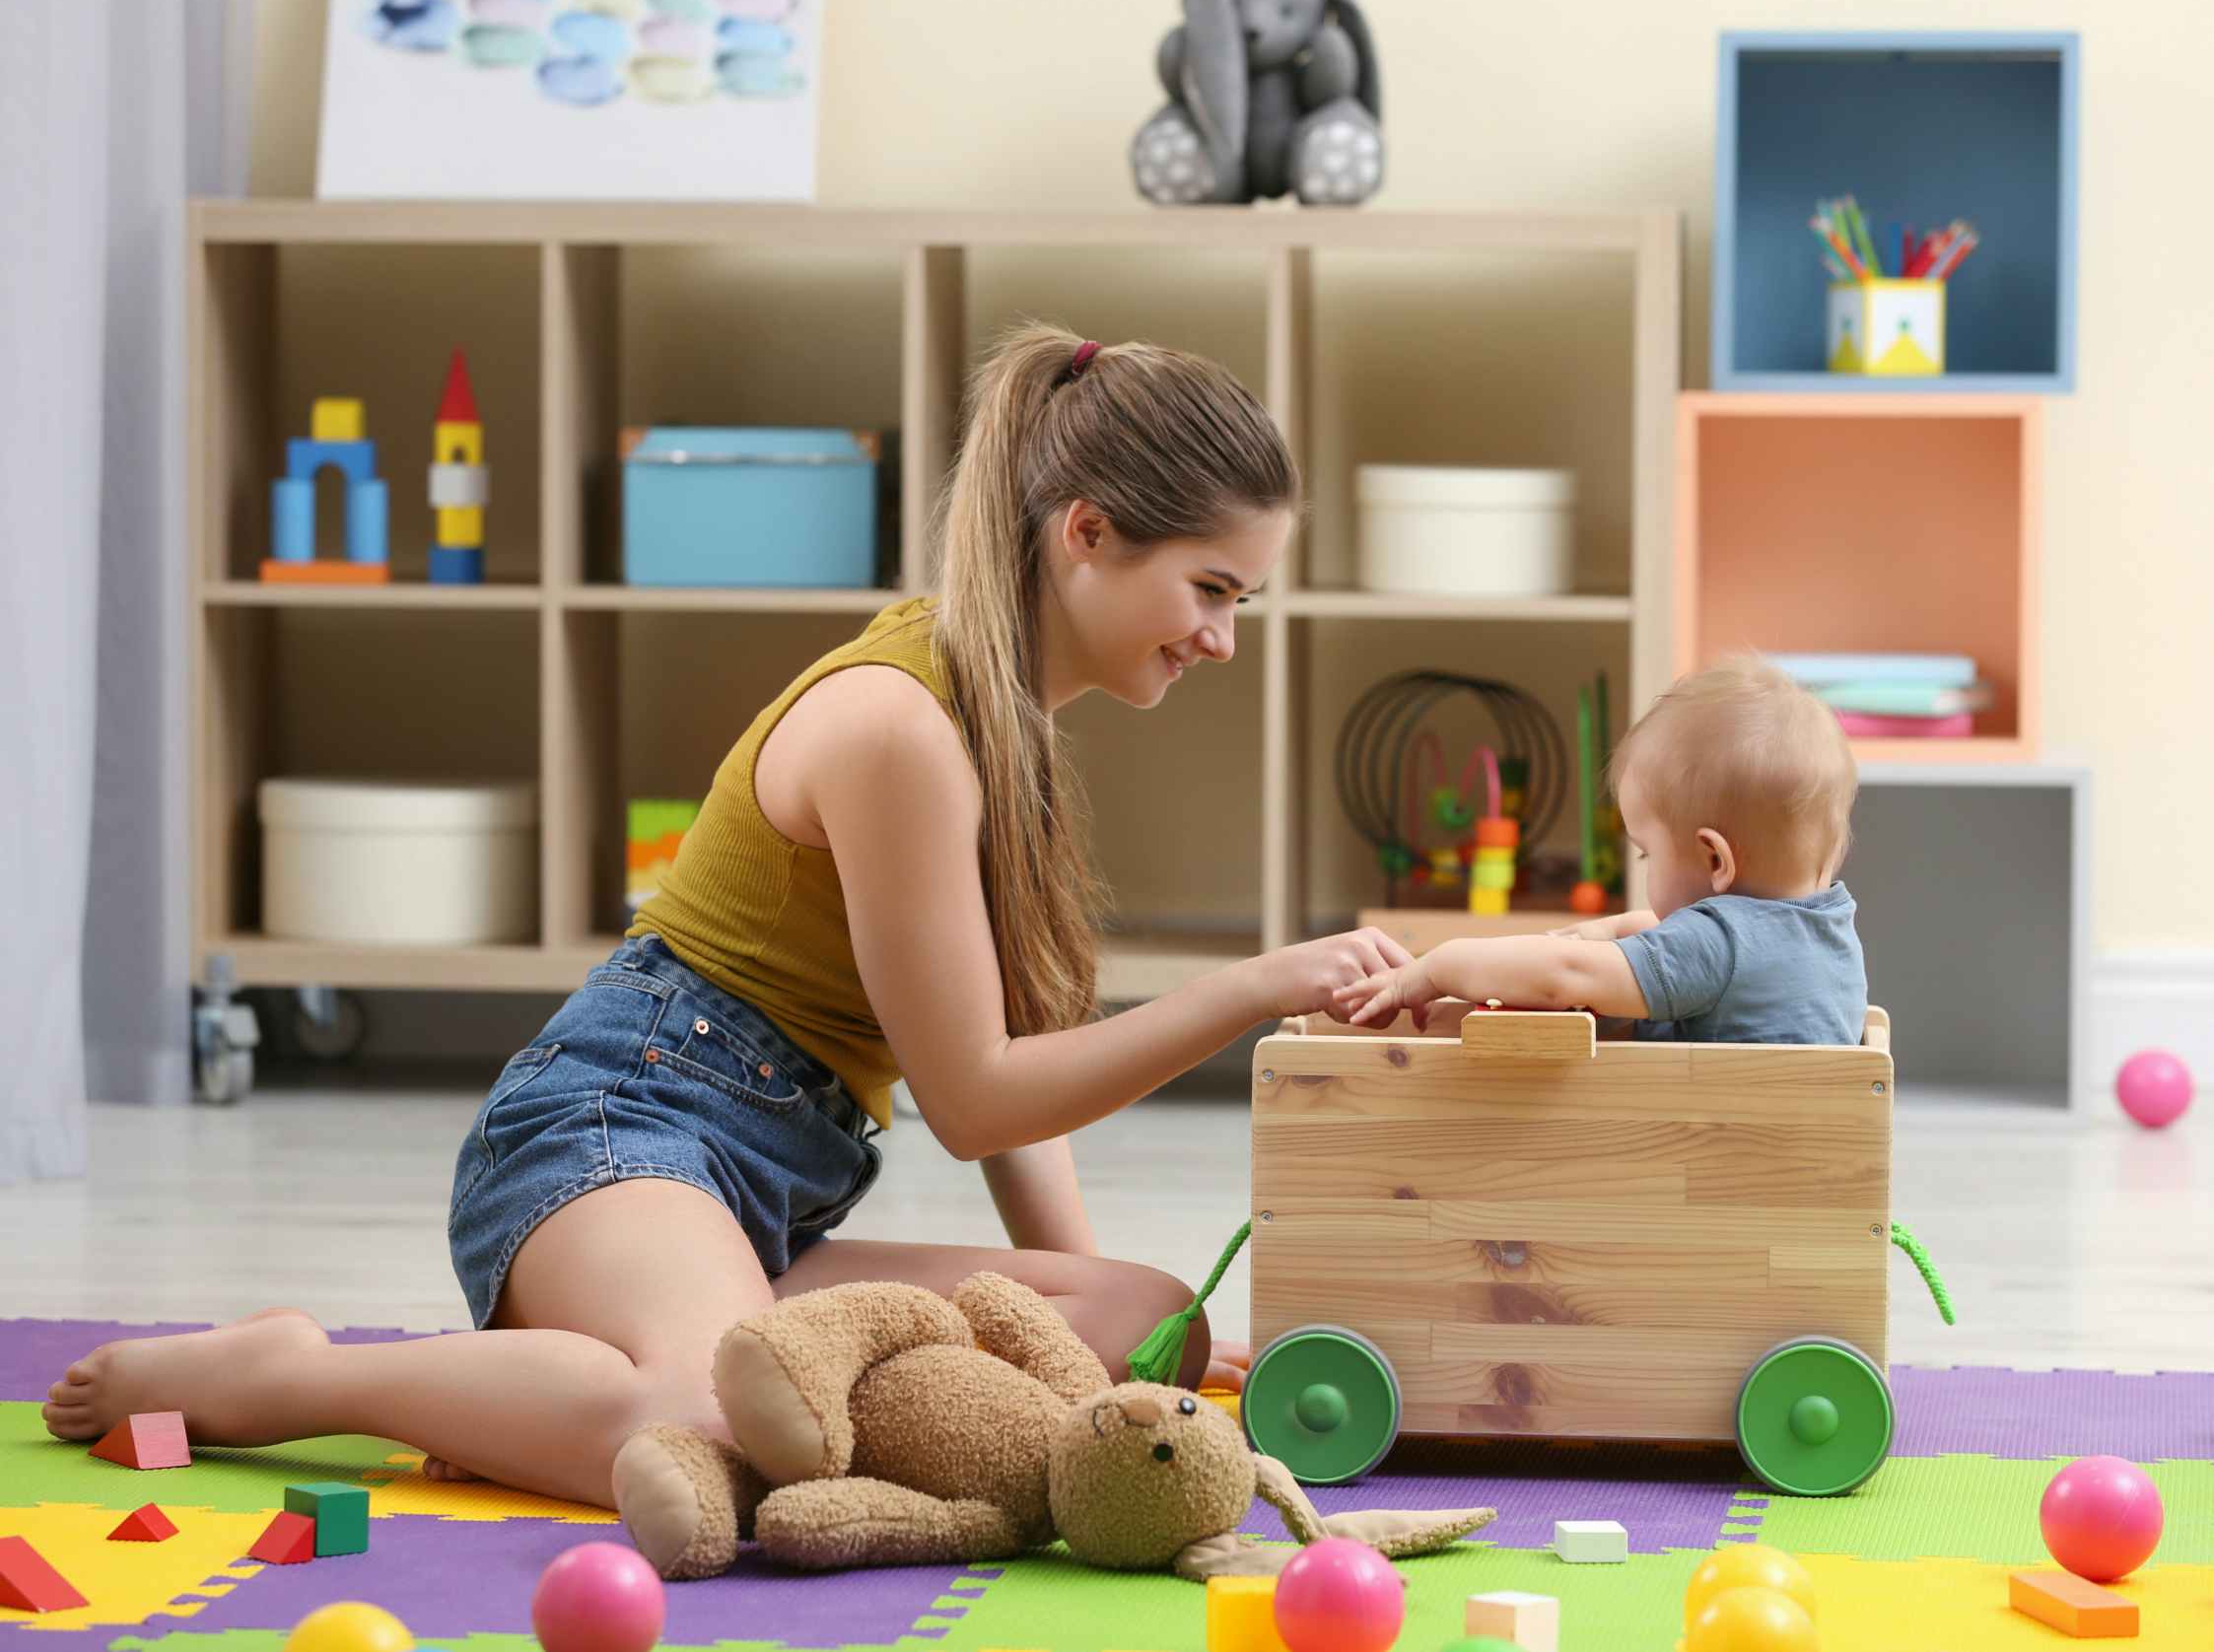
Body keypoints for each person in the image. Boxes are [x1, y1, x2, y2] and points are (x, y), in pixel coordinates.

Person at [43, 322, 1413, 1509]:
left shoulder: (1000, 730)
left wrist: (1098, 1324)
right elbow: (980, 1096)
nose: (1222, 638)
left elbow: (1018, 1110)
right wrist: (1248, 990)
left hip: (757, 1197)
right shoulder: (900, 728)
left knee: (1140, 1319)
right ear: (1089, 533)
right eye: (1212, 591)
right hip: (614, 1138)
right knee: (705, 1429)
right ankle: (294, 1374)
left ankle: (562, 1398)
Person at [1339, 655, 1866, 1045]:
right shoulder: (1823, 926)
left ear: (1714, 860)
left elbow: (1563, 975)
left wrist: (1436, 969)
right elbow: (1687, 941)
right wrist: (1610, 930)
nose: (1644, 867)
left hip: (1708, 1162)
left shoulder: (1716, 943)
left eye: (1646, 853)